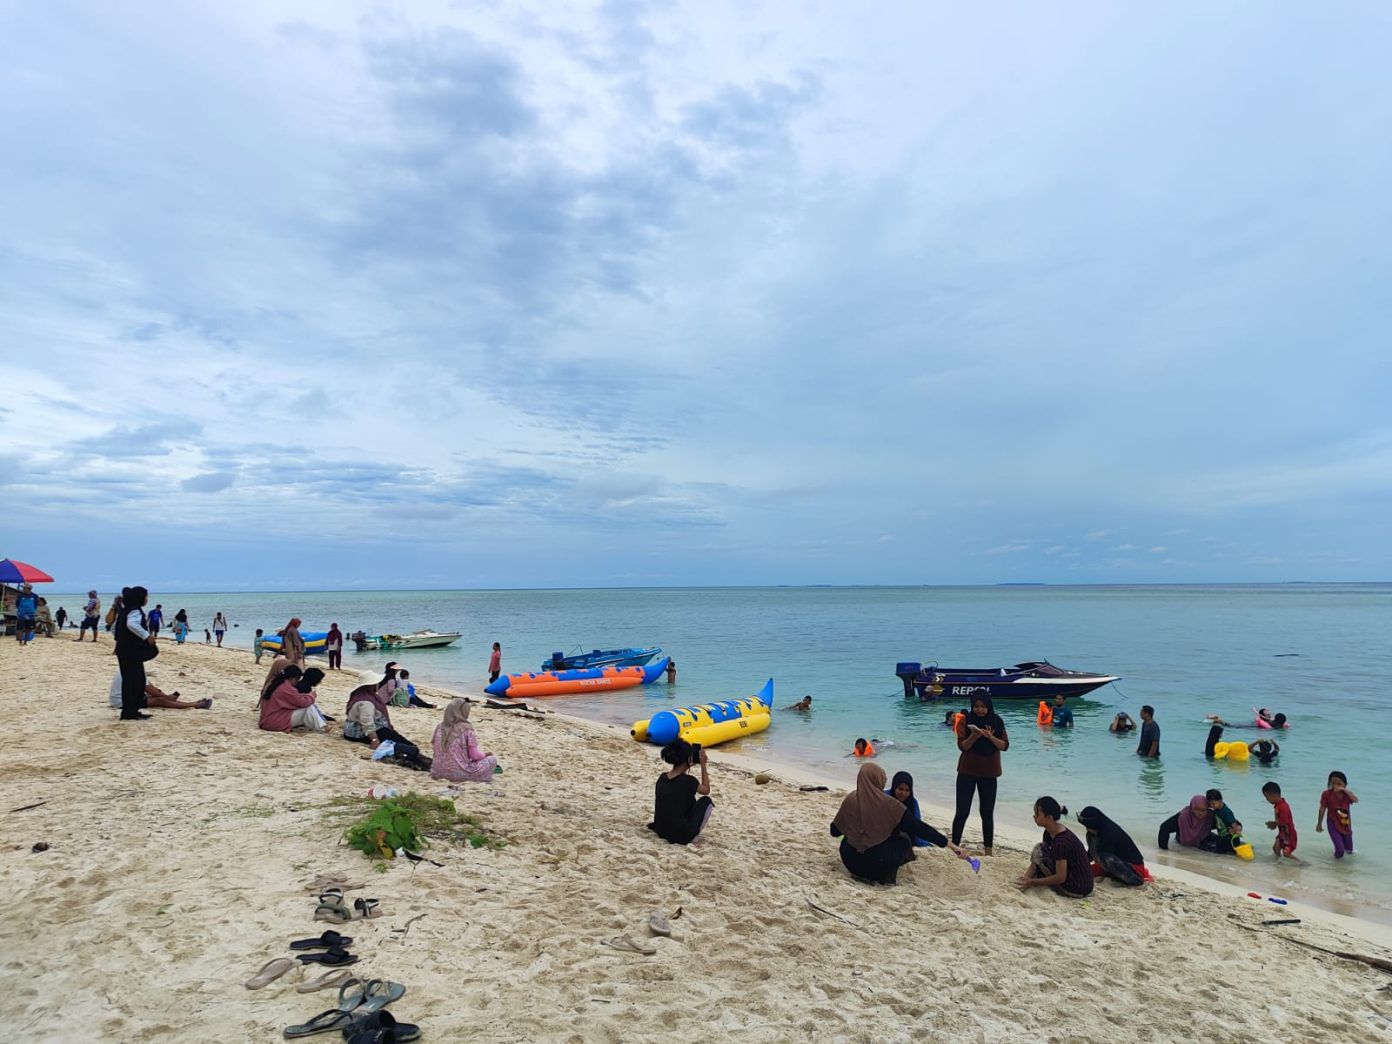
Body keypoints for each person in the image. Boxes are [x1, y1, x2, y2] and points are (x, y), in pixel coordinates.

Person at [831, 763, 963, 884]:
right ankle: (888, 877)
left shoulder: (851, 798)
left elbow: (834, 832)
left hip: (850, 862)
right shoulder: (890, 804)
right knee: (904, 840)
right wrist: (950, 844)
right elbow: (918, 828)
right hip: (876, 867)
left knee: (850, 839)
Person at [951, 695, 1009, 856]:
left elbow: (1005, 746)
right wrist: (974, 736)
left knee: (987, 813)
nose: (980, 710)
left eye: (983, 706)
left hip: (990, 773)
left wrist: (990, 737)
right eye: (976, 706)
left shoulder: (997, 721)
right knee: (962, 812)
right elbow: (962, 746)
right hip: (967, 772)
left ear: (989, 706)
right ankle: (955, 847)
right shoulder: (965, 720)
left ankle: (988, 851)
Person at [343, 670, 431, 770]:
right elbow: (367, 722)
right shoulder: (366, 702)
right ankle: (416, 755)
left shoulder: (360, 695)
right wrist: (374, 740)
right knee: (402, 744)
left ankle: (414, 752)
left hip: (352, 729)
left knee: (394, 736)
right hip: (359, 732)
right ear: (372, 685)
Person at [1017, 797, 1093, 898]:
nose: (1034, 817)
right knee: (1041, 849)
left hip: (1077, 887)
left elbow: (1060, 877)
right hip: (1079, 881)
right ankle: (1025, 878)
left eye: (1037, 814)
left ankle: (1026, 880)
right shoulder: (1050, 832)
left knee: (1039, 849)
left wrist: (1032, 882)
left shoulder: (1061, 842)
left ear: (1049, 818)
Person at [648, 738, 713, 845]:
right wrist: (703, 765)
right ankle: (693, 835)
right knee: (706, 801)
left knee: (685, 798)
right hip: (681, 836)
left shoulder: (662, 778)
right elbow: (706, 790)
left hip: (661, 830)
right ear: (688, 759)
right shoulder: (688, 781)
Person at [114, 586, 157, 721]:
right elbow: (132, 625)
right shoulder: (134, 611)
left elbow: (116, 629)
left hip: (124, 650)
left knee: (132, 681)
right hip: (131, 651)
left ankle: (131, 710)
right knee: (134, 681)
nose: (146, 599)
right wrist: (146, 636)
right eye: (145, 597)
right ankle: (130, 712)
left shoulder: (125, 610)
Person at [1077, 806, 1149, 885]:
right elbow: (1092, 853)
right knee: (1084, 871)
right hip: (1114, 864)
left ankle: (1134, 882)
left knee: (1103, 856)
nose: (1087, 829)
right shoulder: (1094, 833)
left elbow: (1105, 857)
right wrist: (1081, 863)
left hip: (1135, 870)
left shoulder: (1109, 832)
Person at [430, 700, 500, 783]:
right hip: (459, 773)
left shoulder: (440, 726)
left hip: (437, 772)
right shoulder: (467, 729)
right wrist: (485, 755)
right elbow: (474, 756)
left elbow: (434, 748)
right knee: (492, 760)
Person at [258, 665, 327, 732]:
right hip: (273, 722)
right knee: (308, 708)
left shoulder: (277, 684)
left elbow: (294, 699)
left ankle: (320, 725)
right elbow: (303, 703)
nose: (297, 682)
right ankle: (321, 728)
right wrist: (311, 696)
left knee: (308, 707)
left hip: (268, 719)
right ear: (292, 678)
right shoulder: (286, 688)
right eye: (297, 679)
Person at [107, 669, 212, 710]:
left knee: (157, 695)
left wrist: (159, 692)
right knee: (160, 700)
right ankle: (194, 704)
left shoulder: (127, 666)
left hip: (122, 697)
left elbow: (147, 685)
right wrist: (164, 696)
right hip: (122, 701)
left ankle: (172, 699)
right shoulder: (135, 669)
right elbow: (148, 689)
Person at [1316, 771, 1357, 859]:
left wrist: (1344, 790)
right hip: (1333, 823)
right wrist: (1319, 823)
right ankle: (1336, 866)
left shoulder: (1347, 794)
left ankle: (1343, 868)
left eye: (1339, 783)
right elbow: (1322, 808)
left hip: (1345, 823)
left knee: (1349, 850)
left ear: (1345, 784)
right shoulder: (1326, 794)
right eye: (1333, 783)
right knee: (1340, 850)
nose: (1335, 785)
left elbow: (1355, 800)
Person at [886, 771, 934, 848]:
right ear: (894, 787)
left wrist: (924, 844)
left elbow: (917, 824)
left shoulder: (913, 803)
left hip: (905, 838)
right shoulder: (884, 797)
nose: (903, 793)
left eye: (907, 790)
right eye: (900, 789)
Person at [1263, 781, 1297, 858]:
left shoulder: (1283, 807)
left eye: (1267, 797)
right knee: (1275, 848)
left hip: (1289, 835)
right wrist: (1275, 825)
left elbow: (1284, 822)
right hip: (1282, 833)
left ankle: (1300, 863)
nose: (1267, 800)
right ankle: (1279, 864)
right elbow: (1279, 820)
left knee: (1286, 853)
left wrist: (1274, 824)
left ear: (1274, 795)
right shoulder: (1277, 805)